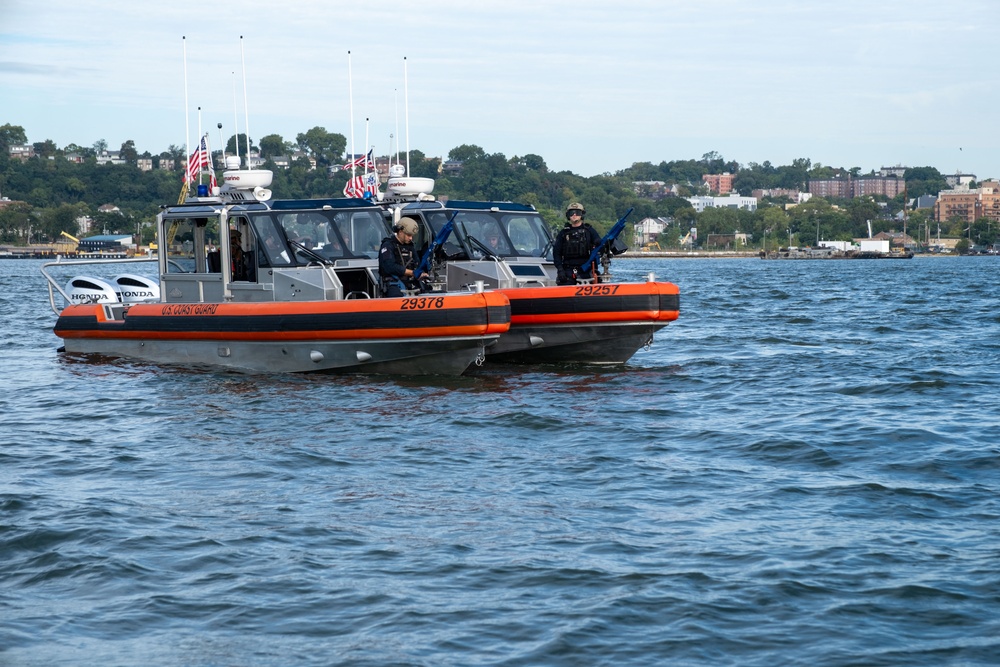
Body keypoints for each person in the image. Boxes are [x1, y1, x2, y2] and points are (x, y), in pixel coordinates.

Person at [552, 202, 602, 285]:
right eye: (571, 213)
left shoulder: (589, 231)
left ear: (582, 214)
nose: (574, 215)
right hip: (568, 269)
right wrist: (560, 269)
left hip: (586, 269)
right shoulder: (563, 233)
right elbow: (556, 253)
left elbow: (600, 245)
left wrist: (598, 243)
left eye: (577, 213)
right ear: (568, 215)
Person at [379, 216, 421, 297]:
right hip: (393, 284)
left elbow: (417, 263)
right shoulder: (388, 245)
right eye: (408, 235)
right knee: (396, 295)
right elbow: (389, 266)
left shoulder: (410, 246)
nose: (411, 238)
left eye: (412, 236)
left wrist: (421, 273)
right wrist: (411, 272)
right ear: (400, 232)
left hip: (410, 283)